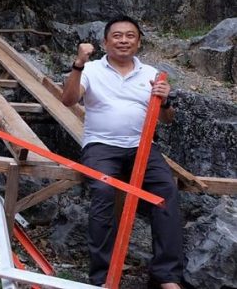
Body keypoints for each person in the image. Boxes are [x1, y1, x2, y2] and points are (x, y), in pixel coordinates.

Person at [61, 16, 183, 288]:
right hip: (101, 146)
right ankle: (103, 277)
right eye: (117, 36)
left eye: (130, 36)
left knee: (166, 192)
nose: (123, 40)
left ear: (138, 42)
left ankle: (167, 275)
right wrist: (78, 64)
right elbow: (68, 100)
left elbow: (167, 119)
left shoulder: (152, 73)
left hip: (142, 147)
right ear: (105, 42)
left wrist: (164, 101)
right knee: (104, 192)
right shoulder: (91, 70)